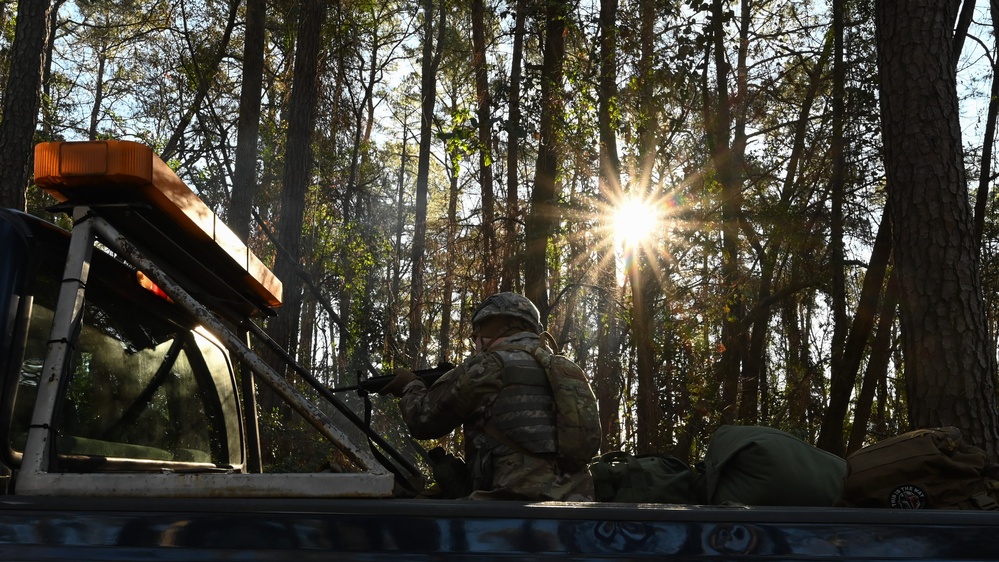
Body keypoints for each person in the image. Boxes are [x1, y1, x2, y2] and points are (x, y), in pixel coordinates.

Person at [380, 292, 597, 500]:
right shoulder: (568, 369)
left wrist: (409, 386)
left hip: (506, 509)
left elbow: (423, 421)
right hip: (577, 506)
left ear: (490, 330)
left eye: (475, 335)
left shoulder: (489, 365)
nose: (475, 344)